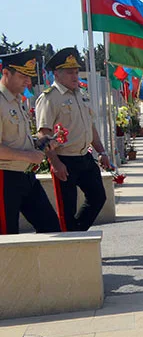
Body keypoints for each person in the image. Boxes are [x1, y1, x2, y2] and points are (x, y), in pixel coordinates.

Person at [35, 47, 108, 231]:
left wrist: (102, 151)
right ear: (57, 75)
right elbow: (44, 134)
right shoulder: (50, 98)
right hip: (64, 160)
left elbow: (90, 127)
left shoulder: (80, 95)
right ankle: (70, 246)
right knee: (66, 210)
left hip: (85, 157)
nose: (75, 76)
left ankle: (77, 234)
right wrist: (55, 162)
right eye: (70, 73)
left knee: (98, 197)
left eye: (76, 72)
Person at [0, 50, 60, 234]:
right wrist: (28, 155)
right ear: (6, 73)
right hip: (5, 178)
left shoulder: (17, 101)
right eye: (23, 76)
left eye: (30, 76)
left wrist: (40, 142)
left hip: (25, 176)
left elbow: (15, 139)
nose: (28, 82)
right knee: (7, 237)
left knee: (51, 227)